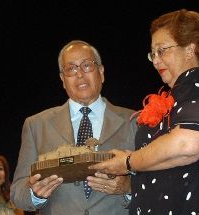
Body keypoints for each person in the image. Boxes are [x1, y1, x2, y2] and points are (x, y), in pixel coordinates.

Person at [90, 9, 199, 214]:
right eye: (152, 54)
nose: (155, 61)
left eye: (162, 50)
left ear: (190, 49)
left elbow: (186, 145)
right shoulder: (180, 95)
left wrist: (128, 162)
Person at [10, 40, 137, 215]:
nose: (79, 74)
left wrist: (129, 188)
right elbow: (17, 193)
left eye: (86, 65)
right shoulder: (36, 125)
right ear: (62, 80)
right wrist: (34, 194)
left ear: (101, 72)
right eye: (71, 69)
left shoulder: (135, 121)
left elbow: (157, 183)